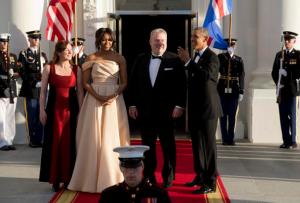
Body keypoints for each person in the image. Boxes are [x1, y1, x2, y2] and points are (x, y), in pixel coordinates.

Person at [68, 27, 130, 193]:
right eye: (104, 39)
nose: (107, 43)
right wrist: (98, 96)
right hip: (94, 101)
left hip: (114, 101)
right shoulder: (91, 57)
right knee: (94, 138)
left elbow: (124, 82)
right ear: (98, 41)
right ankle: (89, 179)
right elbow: (85, 83)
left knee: (112, 137)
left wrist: (113, 94)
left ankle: (113, 177)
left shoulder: (119, 58)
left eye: (110, 39)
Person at [127, 28, 186, 188]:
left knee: (168, 146)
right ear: (150, 41)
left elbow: (182, 85)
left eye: (162, 41)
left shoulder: (175, 59)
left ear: (166, 42)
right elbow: (133, 84)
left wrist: (180, 105)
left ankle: (169, 176)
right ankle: (149, 176)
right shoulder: (140, 59)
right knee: (148, 147)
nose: (159, 43)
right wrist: (132, 104)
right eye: (156, 40)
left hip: (167, 112)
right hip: (146, 112)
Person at [177, 27, 222, 194]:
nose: (192, 39)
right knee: (197, 145)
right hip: (195, 109)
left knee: (209, 147)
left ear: (205, 40)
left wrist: (189, 62)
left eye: (195, 37)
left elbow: (206, 77)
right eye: (191, 36)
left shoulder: (213, 57)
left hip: (208, 109)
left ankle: (210, 182)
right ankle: (200, 176)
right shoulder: (196, 56)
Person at [39, 40, 84, 191]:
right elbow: (43, 91)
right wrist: (41, 110)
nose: (69, 52)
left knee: (70, 144)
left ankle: (68, 178)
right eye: (66, 49)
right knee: (55, 143)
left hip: (71, 112)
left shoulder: (77, 69)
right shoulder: (48, 68)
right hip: (53, 112)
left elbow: (80, 93)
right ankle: (55, 179)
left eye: (71, 49)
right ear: (58, 52)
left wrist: (81, 112)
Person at [99, 145, 171, 203]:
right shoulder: (109, 195)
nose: (131, 172)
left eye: (135, 167)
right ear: (120, 168)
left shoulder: (158, 194)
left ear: (142, 166)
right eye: (127, 167)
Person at [18, 30, 48, 148]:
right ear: (29, 39)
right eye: (34, 38)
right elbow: (22, 71)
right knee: (32, 115)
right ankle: (33, 140)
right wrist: (34, 81)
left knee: (42, 114)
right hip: (31, 89)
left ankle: (39, 139)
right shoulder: (24, 54)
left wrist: (44, 81)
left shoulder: (43, 55)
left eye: (38, 38)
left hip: (43, 89)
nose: (36, 40)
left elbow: (46, 70)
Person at [272, 31, 300, 149]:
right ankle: (286, 140)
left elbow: (299, 71)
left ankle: (293, 141)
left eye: (289, 39)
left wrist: (288, 73)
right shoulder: (279, 55)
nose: (287, 41)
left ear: (294, 41)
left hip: (293, 89)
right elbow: (274, 72)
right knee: (283, 116)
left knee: (292, 115)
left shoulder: (298, 55)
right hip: (282, 90)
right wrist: (278, 81)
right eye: (286, 39)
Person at [217, 38, 245, 146]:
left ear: (235, 46)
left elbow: (242, 75)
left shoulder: (238, 59)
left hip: (234, 89)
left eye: (232, 45)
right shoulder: (221, 57)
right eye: (229, 45)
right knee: (223, 115)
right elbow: (218, 69)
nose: (231, 47)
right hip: (222, 88)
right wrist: (227, 57)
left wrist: (241, 90)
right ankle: (224, 138)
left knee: (232, 115)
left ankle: (231, 138)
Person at [0, 33, 20, 151]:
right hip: (1, 90)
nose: (4, 44)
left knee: (10, 116)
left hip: (12, 89)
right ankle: (2, 142)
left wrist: (16, 73)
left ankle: (9, 140)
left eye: (6, 42)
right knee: (1, 117)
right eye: (2, 42)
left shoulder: (13, 56)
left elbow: (18, 71)